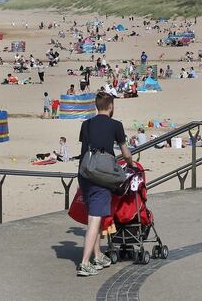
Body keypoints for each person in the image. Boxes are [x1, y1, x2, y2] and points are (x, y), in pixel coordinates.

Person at [77, 92, 133, 277]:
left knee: (94, 216)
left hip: (85, 173)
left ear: (96, 106)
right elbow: (125, 152)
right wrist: (131, 164)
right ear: (110, 106)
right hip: (101, 176)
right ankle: (85, 263)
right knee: (94, 220)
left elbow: (85, 150)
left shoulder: (86, 124)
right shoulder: (116, 125)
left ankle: (98, 255)